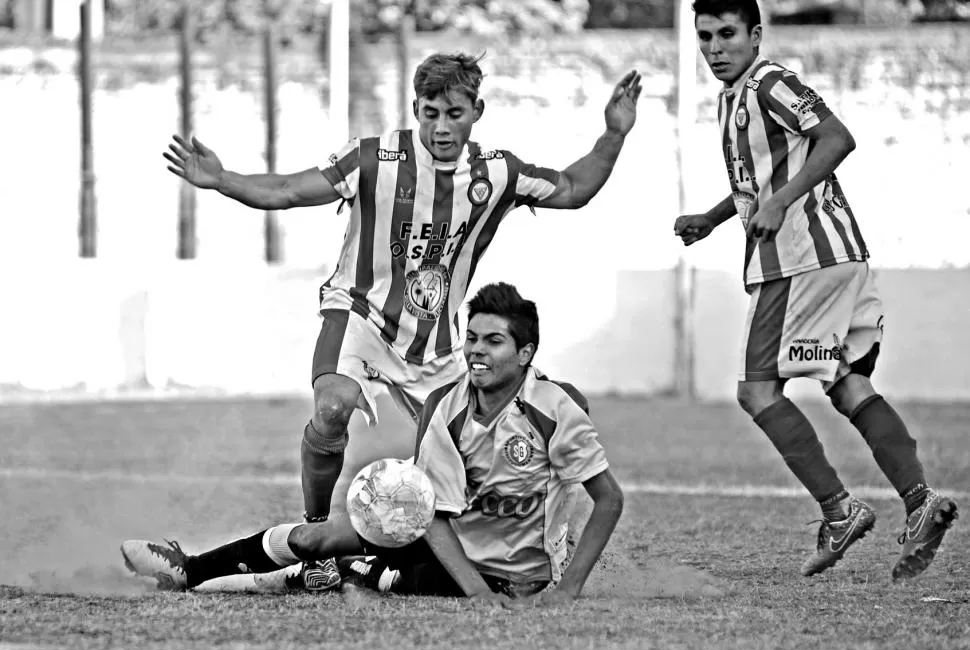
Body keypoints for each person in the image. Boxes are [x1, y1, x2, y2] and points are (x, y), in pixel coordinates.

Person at [162, 51, 640, 591]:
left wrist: (613, 135)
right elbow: (289, 191)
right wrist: (223, 179)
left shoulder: (497, 173)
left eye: (454, 113)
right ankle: (317, 538)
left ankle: (521, 547)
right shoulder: (374, 158)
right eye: (430, 111)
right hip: (359, 313)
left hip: (436, 344)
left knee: (472, 457)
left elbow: (574, 190)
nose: (441, 125)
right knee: (334, 405)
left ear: (476, 111)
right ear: (415, 107)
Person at [674, 0, 958, 580]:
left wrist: (779, 203)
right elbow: (764, 180)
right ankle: (920, 500)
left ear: (755, 35)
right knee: (850, 385)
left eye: (727, 34)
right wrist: (712, 216)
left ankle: (839, 511)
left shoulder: (769, 83)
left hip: (800, 262)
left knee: (757, 392)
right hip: (842, 259)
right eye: (705, 37)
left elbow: (836, 137)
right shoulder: (735, 99)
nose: (714, 48)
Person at [121, 283, 625, 607]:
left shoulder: (555, 408)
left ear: (525, 353)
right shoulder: (445, 408)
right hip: (443, 538)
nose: (476, 350)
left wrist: (568, 589)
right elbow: (436, 517)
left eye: (493, 341)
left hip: (511, 575)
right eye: (471, 338)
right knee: (312, 540)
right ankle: (189, 571)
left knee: (385, 580)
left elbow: (608, 498)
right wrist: (474, 592)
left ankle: (338, 574)